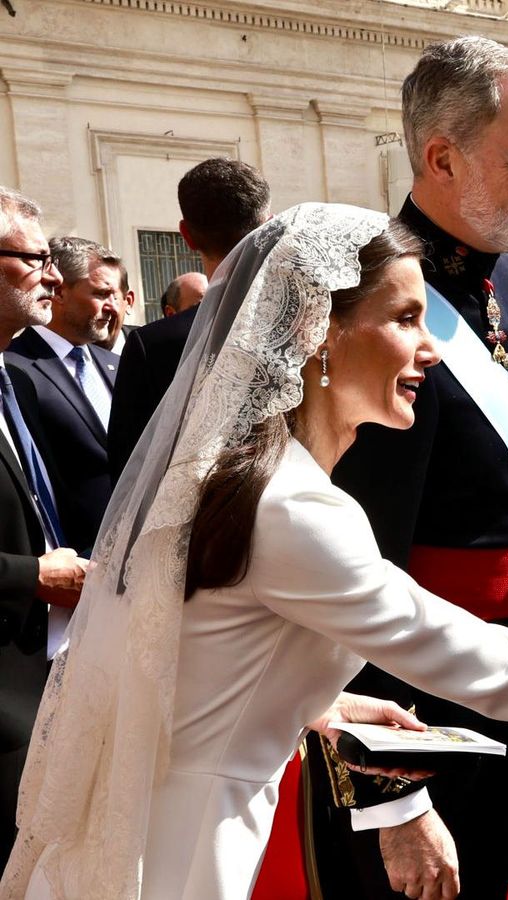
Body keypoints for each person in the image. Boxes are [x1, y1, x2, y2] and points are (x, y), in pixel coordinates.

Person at [0, 203, 508, 900]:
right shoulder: (293, 508)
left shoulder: (257, 478)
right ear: (318, 335)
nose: (433, 351)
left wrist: (322, 704)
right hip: (184, 855)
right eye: (404, 319)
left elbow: (192, 652)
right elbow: (499, 668)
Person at [311, 38, 508, 900]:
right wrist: (391, 797)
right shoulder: (363, 296)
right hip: (408, 709)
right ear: (441, 157)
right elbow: (340, 574)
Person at [0, 187, 90, 863]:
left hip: (43, 687)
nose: (55, 276)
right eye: (34, 258)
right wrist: (34, 574)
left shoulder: (14, 379)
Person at [107, 157, 271, 483]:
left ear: (186, 235)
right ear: (270, 224)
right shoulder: (313, 325)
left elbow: (129, 471)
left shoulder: (151, 346)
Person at [6, 237, 120, 554]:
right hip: (69, 566)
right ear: (59, 292)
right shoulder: (15, 369)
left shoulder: (118, 365)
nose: (113, 306)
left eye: (115, 294)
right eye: (100, 293)